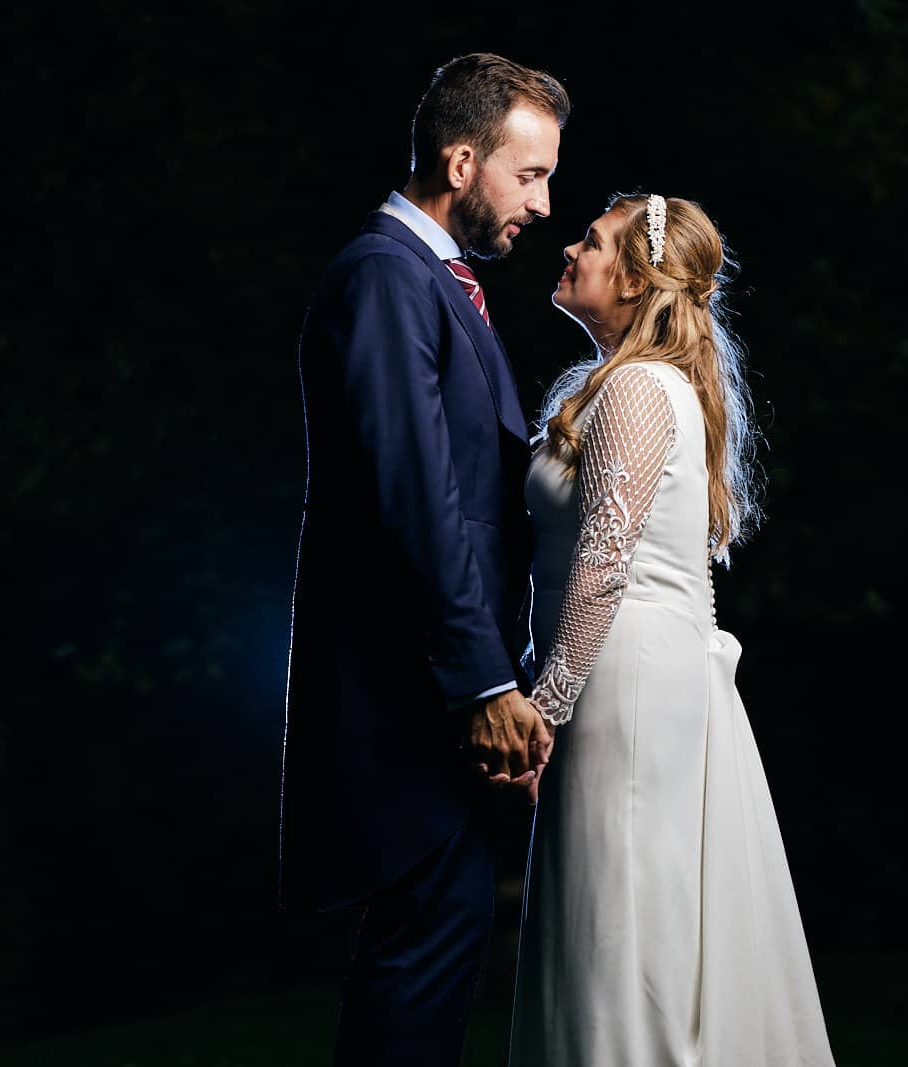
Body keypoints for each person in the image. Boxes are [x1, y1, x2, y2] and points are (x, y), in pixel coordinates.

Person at [278, 53, 568, 1066]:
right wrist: (483, 680)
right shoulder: (385, 278)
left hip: (430, 701)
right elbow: (414, 496)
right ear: (460, 158)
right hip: (406, 700)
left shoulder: (432, 282)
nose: (543, 203)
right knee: (416, 969)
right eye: (528, 175)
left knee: (432, 964)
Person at [507, 193, 836, 1064]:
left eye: (593, 240)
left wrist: (543, 708)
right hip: (630, 669)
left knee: (621, 922)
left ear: (636, 278)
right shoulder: (620, 385)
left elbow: (606, 563)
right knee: (608, 913)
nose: (569, 247)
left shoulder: (642, 389)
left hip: (625, 677)